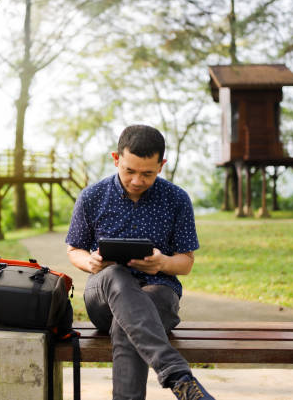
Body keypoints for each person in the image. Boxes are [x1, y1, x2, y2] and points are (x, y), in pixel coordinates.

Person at [66, 125, 215, 400]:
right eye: (129, 171)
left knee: (129, 322)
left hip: (159, 297)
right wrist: (92, 262)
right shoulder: (92, 196)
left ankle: (177, 379)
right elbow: (74, 249)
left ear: (162, 165)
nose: (136, 180)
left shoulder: (177, 199)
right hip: (104, 299)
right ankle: (176, 374)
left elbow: (186, 262)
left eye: (147, 173)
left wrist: (162, 264)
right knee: (115, 276)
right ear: (116, 159)